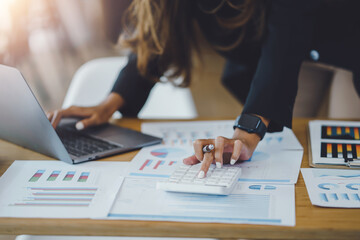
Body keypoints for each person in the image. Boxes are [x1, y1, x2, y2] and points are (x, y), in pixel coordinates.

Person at [48, 0, 360, 178]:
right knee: (289, 155)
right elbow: (160, 24)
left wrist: (246, 131)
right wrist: (110, 103)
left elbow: (290, 30)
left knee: (345, 163)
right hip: (276, 47)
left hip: (344, 33)